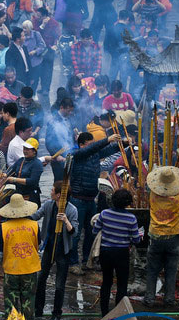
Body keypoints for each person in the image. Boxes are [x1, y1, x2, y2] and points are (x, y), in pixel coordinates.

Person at [68, 132, 125, 275]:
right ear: (81, 145)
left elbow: (110, 150)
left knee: (91, 232)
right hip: (77, 200)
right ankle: (73, 263)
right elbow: (91, 149)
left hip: (90, 199)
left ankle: (87, 261)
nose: (93, 146)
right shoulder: (78, 154)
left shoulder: (94, 154)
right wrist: (107, 139)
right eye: (90, 143)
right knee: (75, 232)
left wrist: (123, 143)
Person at [143, 150, 179, 308]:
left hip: (155, 237)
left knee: (152, 270)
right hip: (173, 238)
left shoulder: (152, 193)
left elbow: (149, 182)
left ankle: (149, 299)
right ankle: (169, 299)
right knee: (171, 271)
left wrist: (155, 170)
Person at [30, 181, 78, 320]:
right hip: (49, 247)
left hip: (63, 250)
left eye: (52, 190)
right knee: (41, 279)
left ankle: (57, 313)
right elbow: (36, 216)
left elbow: (74, 233)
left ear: (58, 195)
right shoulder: (48, 205)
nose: (50, 192)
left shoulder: (71, 210)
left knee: (59, 285)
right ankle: (38, 310)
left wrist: (66, 221)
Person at [93, 189, 143, 316]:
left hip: (106, 252)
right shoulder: (131, 218)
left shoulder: (104, 214)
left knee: (107, 282)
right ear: (127, 203)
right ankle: (119, 313)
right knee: (122, 284)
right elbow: (136, 240)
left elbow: (95, 231)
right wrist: (140, 236)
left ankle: (104, 312)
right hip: (121, 253)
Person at [0, 194, 40, 320]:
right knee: (29, 302)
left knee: (11, 304)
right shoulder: (34, 225)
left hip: (11, 270)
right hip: (30, 269)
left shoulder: (3, 227)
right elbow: (38, 245)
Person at [6, 138, 43, 205]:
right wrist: (4, 175)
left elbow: (32, 181)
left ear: (34, 151)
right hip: (19, 194)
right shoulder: (20, 160)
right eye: (24, 148)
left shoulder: (37, 164)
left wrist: (14, 179)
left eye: (27, 149)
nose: (25, 151)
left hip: (31, 196)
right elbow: (10, 171)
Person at [45, 98, 75, 182]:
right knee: (59, 182)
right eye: (68, 111)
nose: (69, 113)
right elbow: (49, 142)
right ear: (62, 107)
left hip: (69, 155)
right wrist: (56, 155)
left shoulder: (69, 118)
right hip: (58, 158)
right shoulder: (53, 121)